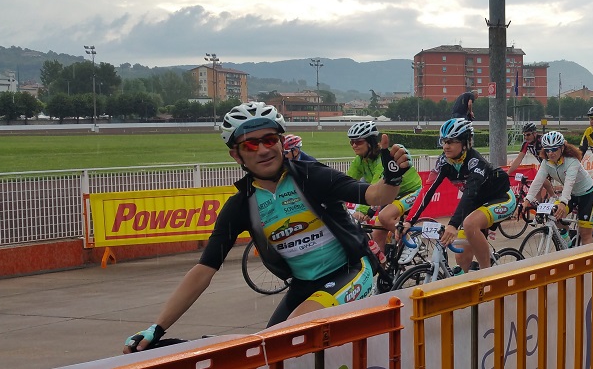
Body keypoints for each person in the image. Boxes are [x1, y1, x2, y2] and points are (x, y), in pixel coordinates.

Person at [123, 102, 412, 353]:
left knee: (294, 333)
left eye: (269, 139)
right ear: (236, 155)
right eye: (250, 144)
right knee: (267, 350)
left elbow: (375, 196)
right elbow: (203, 270)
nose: (262, 149)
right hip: (304, 285)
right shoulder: (241, 206)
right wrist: (156, 328)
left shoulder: (310, 177)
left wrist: (392, 176)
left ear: (280, 142)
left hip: (350, 269)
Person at [408, 118, 515, 273]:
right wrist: (409, 221)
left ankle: (488, 276)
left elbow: (469, 194)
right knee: (462, 258)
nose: (445, 146)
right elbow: (427, 190)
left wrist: (452, 224)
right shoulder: (444, 162)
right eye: (443, 141)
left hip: (502, 199)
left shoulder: (476, 162)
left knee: (470, 224)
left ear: (465, 143)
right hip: (478, 204)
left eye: (451, 142)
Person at [344, 121, 424, 254]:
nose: (353, 145)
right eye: (351, 142)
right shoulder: (360, 160)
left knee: (384, 217)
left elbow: (375, 190)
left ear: (370, 142)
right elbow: (346, 184)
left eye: (358, 142)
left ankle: (412, 243)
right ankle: (382, 270)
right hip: (391, 195)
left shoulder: (382, 159)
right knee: (377, 236)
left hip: (411, 191)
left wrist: (363, 211)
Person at [523, 131, 593, 245]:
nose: (551, 153)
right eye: (547, 150)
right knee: (554, 215)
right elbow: (538, 181)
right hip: (572, 195)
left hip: (587, 195)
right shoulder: (546, 162)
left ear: (562, 147)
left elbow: (569, 182)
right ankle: (568, 242)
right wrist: (527, 200)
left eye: (554, 149)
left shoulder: (572, 161)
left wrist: (563, 203)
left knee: (585, 235)